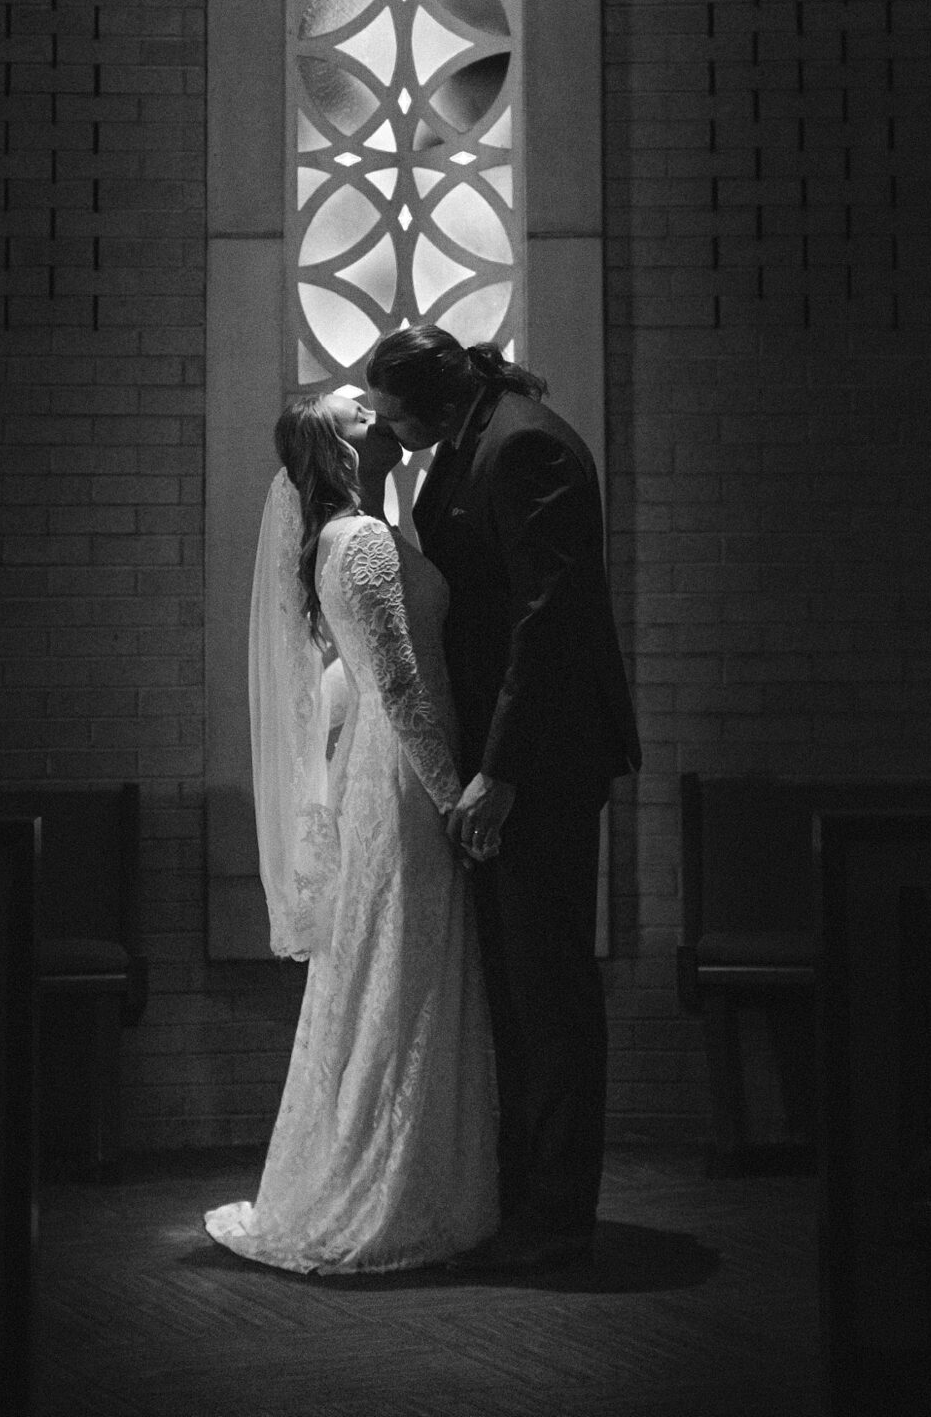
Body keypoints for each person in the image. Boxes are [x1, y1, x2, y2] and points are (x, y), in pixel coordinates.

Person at [204, 385, 501, 1273]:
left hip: (382, 767)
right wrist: (453, 796)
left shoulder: (344, 537)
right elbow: (400, 684)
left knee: (394, 966)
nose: (379, 415)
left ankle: (403, 1173)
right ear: (336, 452)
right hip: (407, 776)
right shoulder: (363, 541)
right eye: (359, 414)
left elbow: (349, 680)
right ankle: (389, 1188)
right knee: (403, 967)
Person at [365, 326, 642, 1269]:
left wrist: (502, 771)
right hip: (502, 750)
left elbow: (547, 619)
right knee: (517, 987)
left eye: (393, 410)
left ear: (435, 399)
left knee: (548, 984)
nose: (387, 426)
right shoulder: (471, 438)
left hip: (541, 762)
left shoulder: (521, 446)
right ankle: (521, 1186)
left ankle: (558, 1206)